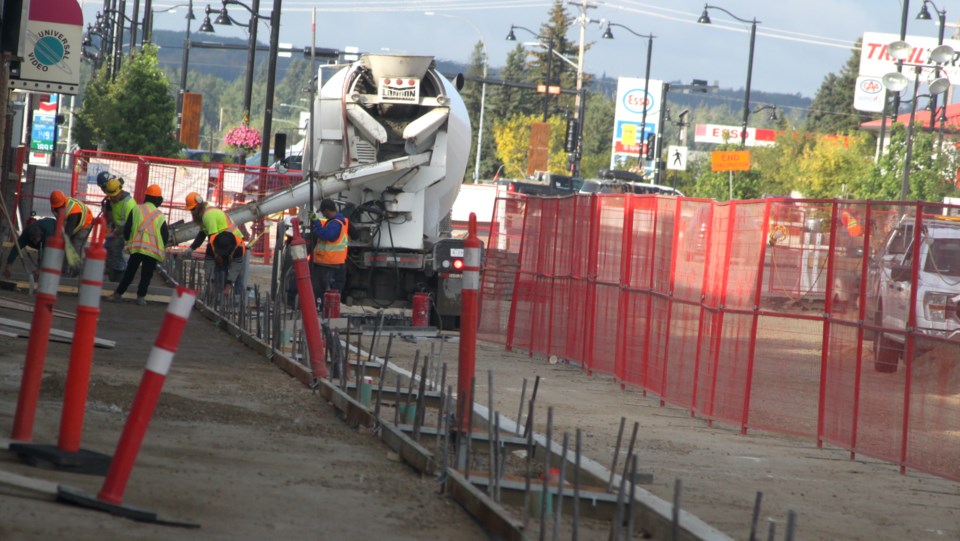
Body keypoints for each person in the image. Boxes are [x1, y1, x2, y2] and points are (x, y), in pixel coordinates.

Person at [109, 185, 170, 305]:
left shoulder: (136, 209)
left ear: (146, 197)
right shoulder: (160, 215)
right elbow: (165, 235)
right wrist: (161, 247)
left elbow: (128, 228)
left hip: (137, 248)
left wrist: (127, 240)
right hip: (151, 251)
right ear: (159, 200)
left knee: (130, 272)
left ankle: (118, 294)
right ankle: (141, 297)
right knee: (146, 274)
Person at [183, 191, 247, 296]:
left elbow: (212, 238)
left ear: (198, 206)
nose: (192, 212)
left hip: (233, 244)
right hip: (221, 243)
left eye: (193, 209)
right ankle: (217, 293)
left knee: (233, 273)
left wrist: (217, 256)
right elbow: (203, 234)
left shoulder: (208, 216)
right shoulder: (206, 214)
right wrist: (192, 248)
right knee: (219, 271)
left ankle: (234, 296)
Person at [310, 199, 349, 308]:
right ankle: (329, 311)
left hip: (328, 263)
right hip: (336, 263)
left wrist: (316, 223)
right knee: (333, 292)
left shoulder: (335, 223)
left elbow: (327, 236)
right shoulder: (340, 221)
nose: (323, 215)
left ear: (326, 210)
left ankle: (321, 311)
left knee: (321, 291)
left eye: (323, 212)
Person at [101, 177, 136, 281]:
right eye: (110, 196)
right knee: (112, 254)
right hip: (119, 233)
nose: (111, 199)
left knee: (123, 259)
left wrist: (114, 234)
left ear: (119, 192)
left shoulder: (129, 204)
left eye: (113, 196)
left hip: (129, 235)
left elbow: (130, 224)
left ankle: (121, 281)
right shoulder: (113, 201)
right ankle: (114, 279)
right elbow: (112, 218)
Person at [49, 189, 93, 273]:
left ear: (63, 202)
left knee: (76, 245)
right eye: (56, 207)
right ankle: (64, 269)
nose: (58, 208)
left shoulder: (73, 211)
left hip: (86, 223)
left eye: (60, 206)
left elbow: (68, 233)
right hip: (72, 224)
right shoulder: (55, 205)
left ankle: (75, 270)